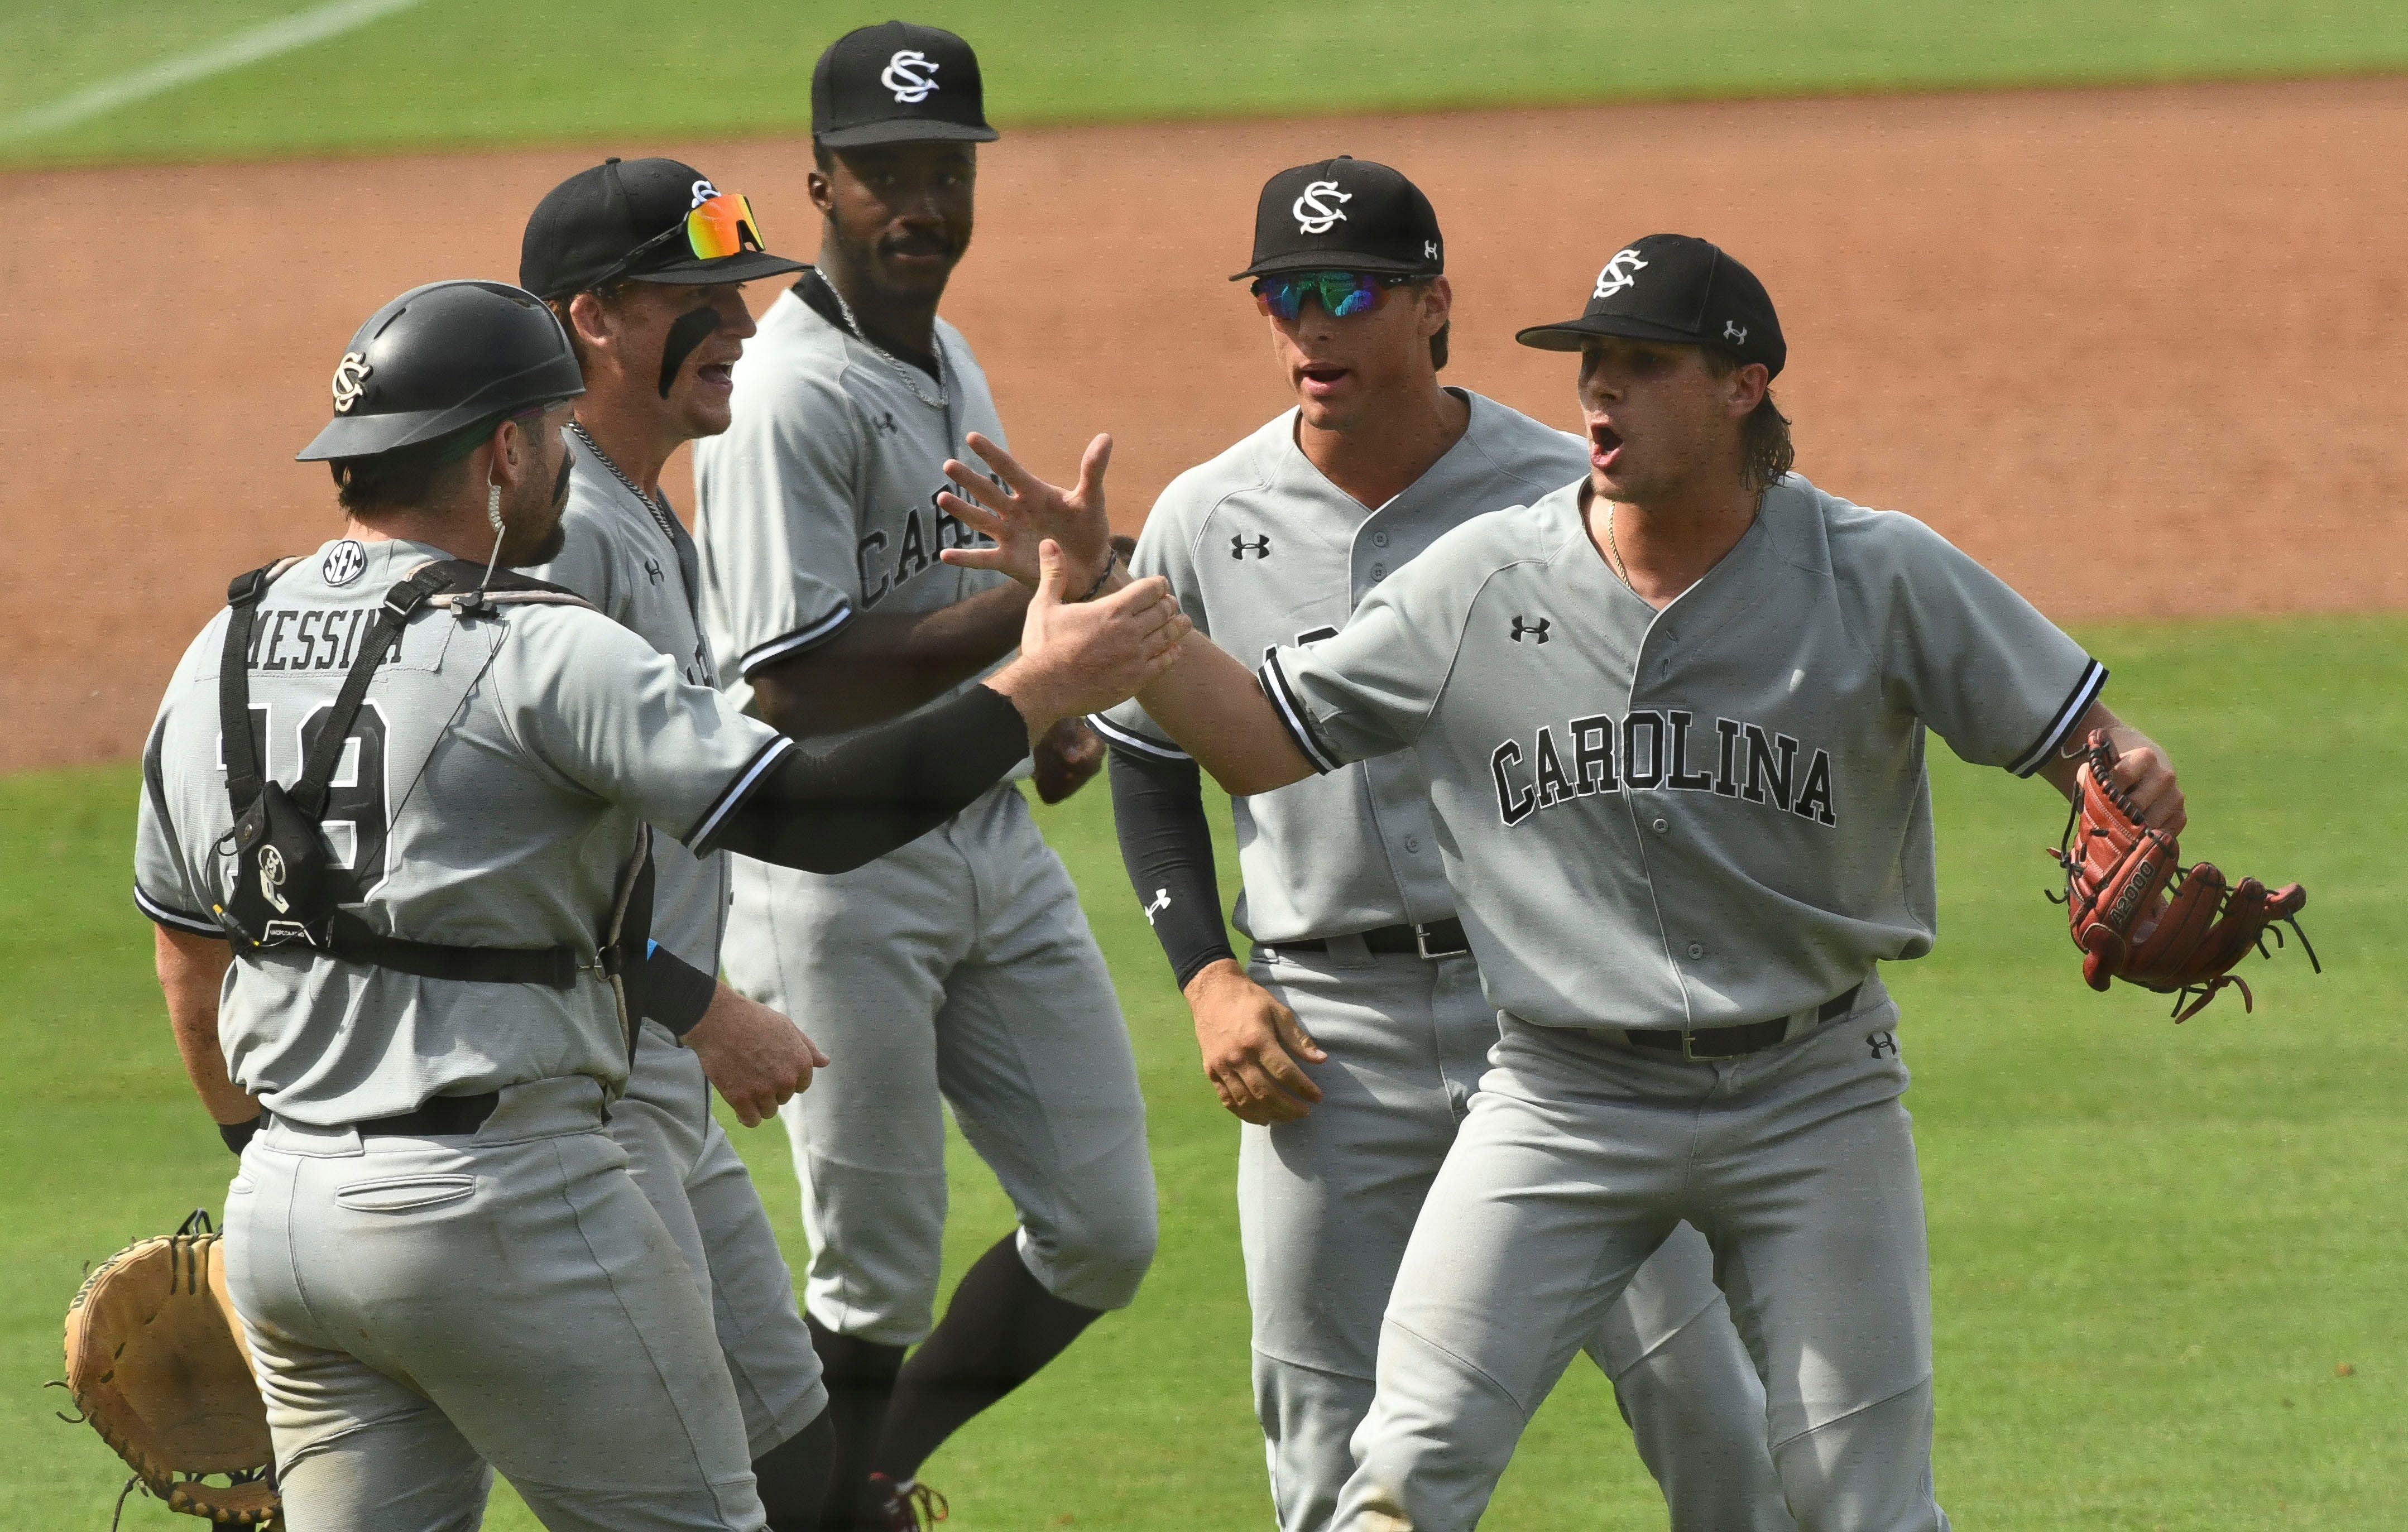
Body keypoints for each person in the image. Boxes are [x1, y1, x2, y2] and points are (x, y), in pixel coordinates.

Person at [944, 234, 2185, 1532]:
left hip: (1815, 1095)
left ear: (1742, 386)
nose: (1601, 394)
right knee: (1402, 1476)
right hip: (1561, 1095)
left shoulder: (1877, 569)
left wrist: (2133, 774)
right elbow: (1257, 736)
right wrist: (1104, 592)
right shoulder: (1487, 574)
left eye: (1644, 367)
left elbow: (2079, 739)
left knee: (1860, 1503)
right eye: (1592, 365)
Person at [134, 276, 1184, 1532]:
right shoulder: (531, 642)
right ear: (508, 450)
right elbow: (815, 814)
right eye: (552, 430)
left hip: (284, 1223)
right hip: (500, 1204)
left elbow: (187, 960)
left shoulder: (223, 645)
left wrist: (272, 1167)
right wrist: (1040, 683)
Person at [1084, 159, 1791, 1532]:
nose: (1309, 327)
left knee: (1706, 1399)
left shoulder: (1563, 490)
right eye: (1284, 295)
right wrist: (1203, 973)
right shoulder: (1205, 514)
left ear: (1432, 305)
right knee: (1327, 1450)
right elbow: (1150, 764)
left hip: (1560, 1014)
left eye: (1344, 292)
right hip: (1321, 1037)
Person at [692, 22, 1150, 1529]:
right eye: (883, 174)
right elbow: (789, 678)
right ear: (817, 181)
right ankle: (829, 1507)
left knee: (1101, 1230)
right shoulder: (783, 396)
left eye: (942, 172)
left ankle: (858, 1480)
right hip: (836, 870)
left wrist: (1045, 706)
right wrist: (1033, 632)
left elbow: (974, 609)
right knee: (871, 1271)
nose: (919, 207)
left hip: (983, 836)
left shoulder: (944, 352)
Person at [515, 155, 833, 1527]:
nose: (748, 330)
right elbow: (519, 862)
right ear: (597, 315)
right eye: (704, 299)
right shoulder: (564, 535)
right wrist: (704, 1010)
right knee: (693, 1486)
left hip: (660, 1079)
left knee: (800, 1443)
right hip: (592, 1082)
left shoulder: (644, 506)